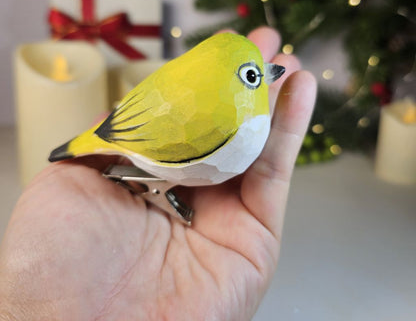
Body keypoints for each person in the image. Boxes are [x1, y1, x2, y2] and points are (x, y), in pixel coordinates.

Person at [0, 27, 316, 321]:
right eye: (252, 75)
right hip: (134, 140)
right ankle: (152, 186)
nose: (266, 76)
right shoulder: (222, 125)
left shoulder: (229, 106)